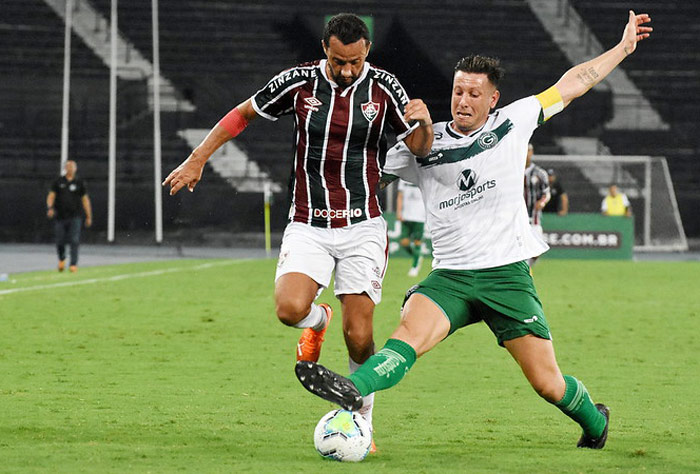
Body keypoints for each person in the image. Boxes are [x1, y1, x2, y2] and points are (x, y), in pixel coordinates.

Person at [295, 11, 653, 450]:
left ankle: (595, 423)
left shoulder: (515, 120)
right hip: (451, 278)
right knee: (405, 339)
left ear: (493, 98)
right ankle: (354, 390)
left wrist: (621, 48)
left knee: (547, 383)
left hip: (506, 276)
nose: (463, 101)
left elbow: (576, 81)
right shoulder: (423, 142)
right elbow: (362, 177)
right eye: (457, 91)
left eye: (473, 94)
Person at [162, 13, 433, 447]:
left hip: (362, 225)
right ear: (325, 48)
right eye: (339, 60)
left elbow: (419, 150)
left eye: (356, 62)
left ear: (367, 53)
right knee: (288, 309)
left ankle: (362, 421)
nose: (347, 70)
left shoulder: (385, 87)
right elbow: (242, 114)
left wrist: (423, 123)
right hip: (308, 221)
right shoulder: (299, 83)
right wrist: (198, 158)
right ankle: (317, 319)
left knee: (360, 335)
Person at [46, 160, 93, 272]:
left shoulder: (79, 182)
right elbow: (51, 196)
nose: (70, 169)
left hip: (75, 216)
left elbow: (85, 200)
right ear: (65, 168)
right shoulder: (58, 182)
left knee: (74, 240)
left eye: (72, 167)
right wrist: (50, 208)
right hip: (60, 216)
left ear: (75, 169)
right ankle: (62, 259)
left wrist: (89, 215)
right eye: (68, 167)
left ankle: (73, 264)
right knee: (60, 241)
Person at [524, 143, 550, 267]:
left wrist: (542, 202)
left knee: (537, 250)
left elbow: (546, 193)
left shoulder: (540, 173)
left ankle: (527, 267)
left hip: (533, 219)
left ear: (531, 153)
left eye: (528, 151)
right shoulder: (512, 171)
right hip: (515, 219)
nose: (525, 154)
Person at [396, 179, 427, 277]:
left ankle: (414, 267)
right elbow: (400, 196)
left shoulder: (422, 176)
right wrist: (399, 211)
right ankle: (417, 256)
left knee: (417, 241)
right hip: (406, 216)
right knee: (404, 242)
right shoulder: (403, 179)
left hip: (419, 216)